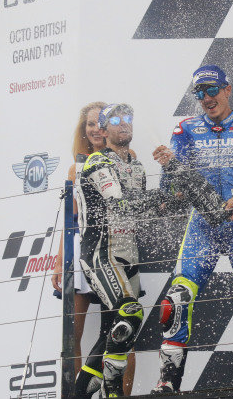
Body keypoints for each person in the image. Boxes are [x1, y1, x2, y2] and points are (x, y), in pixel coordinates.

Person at [151, 65, 233, 393]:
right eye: (199, 92)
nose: (206, 98)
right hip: (202, 226)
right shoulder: (185, 131)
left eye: (211, 90)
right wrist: (169, 168)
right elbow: (173, 193)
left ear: (227, 89)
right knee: (175, 302)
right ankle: (167, 384)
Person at [76, 103, 168, 397]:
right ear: (103, 130)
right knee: (129, 313)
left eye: (127, 118)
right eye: (114, 120)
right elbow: (120, 203)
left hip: (129, 256)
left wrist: (175, 191)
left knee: (113, 335)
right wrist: (161, 198)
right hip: (101, 254)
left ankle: (78, 393)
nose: (123, 123)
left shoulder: (137, 166)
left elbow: (140, 214)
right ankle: (111, 388)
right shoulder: (96, 162)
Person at [51, 101, 136, 397]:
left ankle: (118, 394)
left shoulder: (127, 158)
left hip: (117, 248)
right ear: (85, 130)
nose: (96, 128)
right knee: (73, 334)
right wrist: (61, 257)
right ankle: (78, 394)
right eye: (90, 124)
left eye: (101, 122)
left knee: (122, 328)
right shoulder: (77, 166)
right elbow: (71, 217)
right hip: (83, 250)